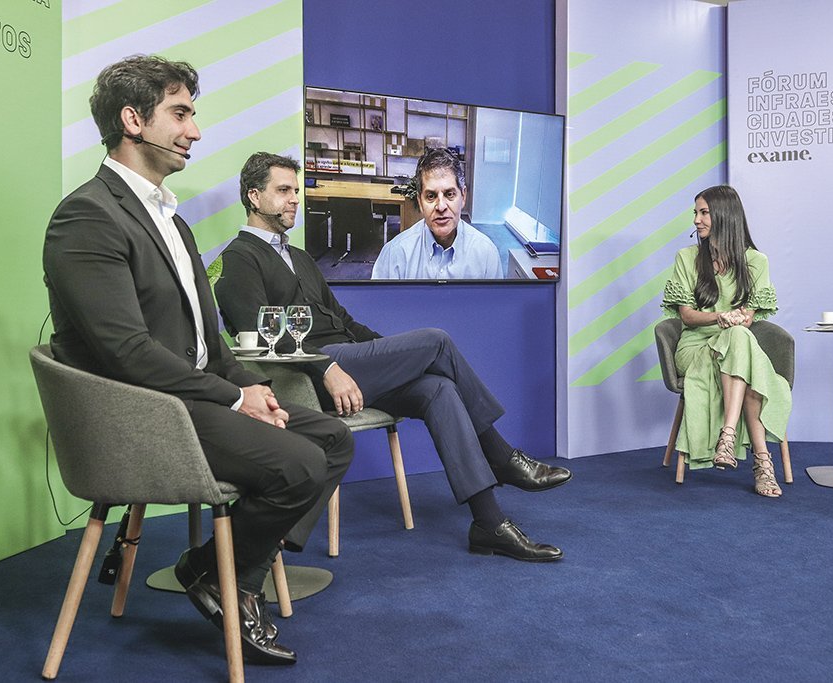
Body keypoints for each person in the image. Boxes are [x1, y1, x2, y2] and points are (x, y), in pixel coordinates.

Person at [42, 56, 353, 665]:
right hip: (145, 412)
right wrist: (235, 399)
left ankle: (222, 571)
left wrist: (255, 389)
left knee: (333, 439)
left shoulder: (173, 222)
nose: (195, 130)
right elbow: (125, 352)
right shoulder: (86, 216)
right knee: (298, 466)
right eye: (180, 114)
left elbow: (208, 343)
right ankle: (232, 579)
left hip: (190, 398)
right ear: (133, 120)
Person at [214, 151, 573, 562]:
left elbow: (345, 321)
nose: (295, 198)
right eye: (283, 191)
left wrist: (395, 358)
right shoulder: (238, 259)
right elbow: (262, 338)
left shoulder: (298, 258)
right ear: (254, 196)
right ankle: (503, 457)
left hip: (351, 364)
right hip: (312, 379)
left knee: (438, 388)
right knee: (436, 341)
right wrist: (327, 367)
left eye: (296, 190)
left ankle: (488, 523)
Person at [660, 185, 791, 497]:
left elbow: (748, 318)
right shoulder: (687, 258)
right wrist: (720, 317)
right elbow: (686, 317)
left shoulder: (756, 261)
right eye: (696, 213)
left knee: (739, 338)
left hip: (736, 344)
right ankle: (762, 464)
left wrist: (734, 322)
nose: (697, 220)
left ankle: (727, 438)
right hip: (696, 347)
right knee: (744, 350)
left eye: (704, 212)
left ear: (725, 216)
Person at [371, 147, 503, 279]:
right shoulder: (394, 255)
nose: (441, 207)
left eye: (449, 194)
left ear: (463, 197)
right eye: (431, 196)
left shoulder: (487, 254)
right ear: (420, 202)